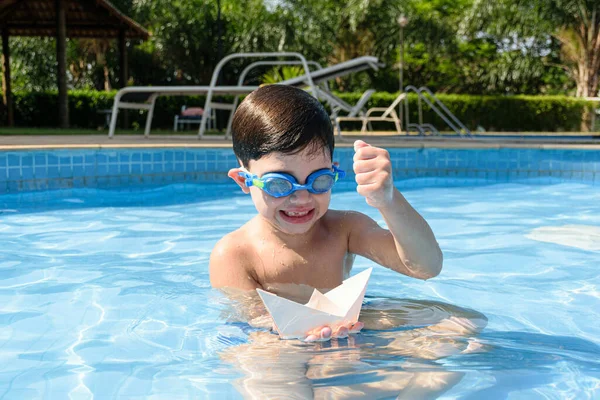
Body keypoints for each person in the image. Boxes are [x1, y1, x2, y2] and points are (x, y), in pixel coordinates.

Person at [209, 84, 443, 342]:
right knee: (269, 369)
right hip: (281, 343)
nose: (301, 197)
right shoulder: (234, 254)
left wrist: (388, 200)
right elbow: (254, 325)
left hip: (345, 329)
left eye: (318, 180)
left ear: (333, 171)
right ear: (244, 180)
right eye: (279, 184)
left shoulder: (345, 229)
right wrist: (312, 336)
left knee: (459, 324)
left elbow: (426, 267)